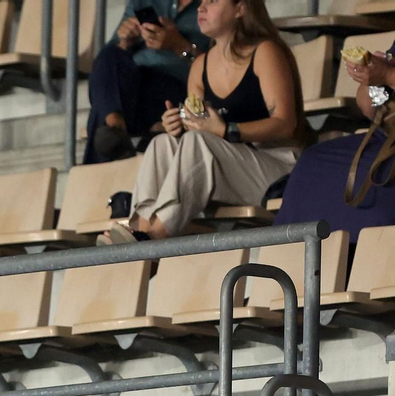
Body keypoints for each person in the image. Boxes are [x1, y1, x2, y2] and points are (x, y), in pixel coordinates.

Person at [105, 0, 306, 242]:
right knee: (162, 144)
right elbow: (197, 125)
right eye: (201, 2)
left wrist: (227, 130)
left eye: (212, 1)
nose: (201, 8)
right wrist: (177, 126)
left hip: (278, 167)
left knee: (199, 142)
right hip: (227, 168)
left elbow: (286, 124)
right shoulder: (200, 65)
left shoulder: (265, 51)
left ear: (240, 9)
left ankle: (154, 238)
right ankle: (140, 229)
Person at [296, 9, 395, 232]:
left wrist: (389, 76)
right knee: (312, 161)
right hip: (386, 132)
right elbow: (367, 108)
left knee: (385, 170)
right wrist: (370, 78)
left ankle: (381, 254)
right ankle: (310, 258)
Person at [85, 0, 206, 163]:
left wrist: (178, 45)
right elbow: (112, 57)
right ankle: (116, 126)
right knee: (108, 56)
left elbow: (220, 70)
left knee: (103, 113)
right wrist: (125, 41)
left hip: (176, 89)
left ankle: (114, 129)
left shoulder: (214, 6)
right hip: (132, 85)